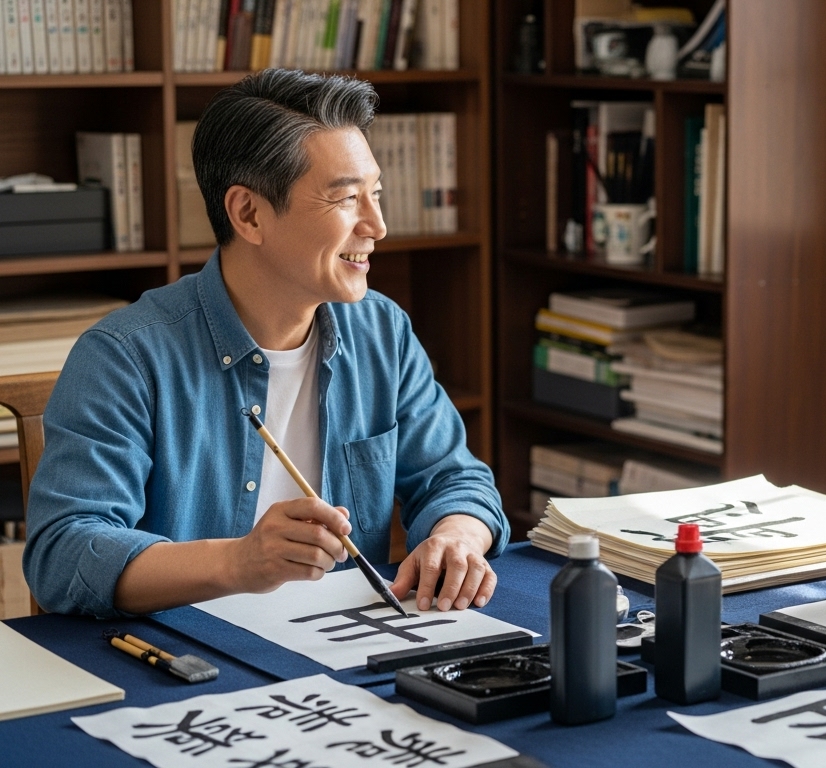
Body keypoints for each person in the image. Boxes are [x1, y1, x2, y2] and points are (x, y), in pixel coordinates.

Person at [24, 69, 508, 618]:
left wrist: (458, 536)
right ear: (248, 213)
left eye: (374, 194)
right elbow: (62, 552)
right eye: (347, 199)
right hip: (187, 663)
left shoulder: (382, 332)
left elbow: (455, 477)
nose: (377, 225)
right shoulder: (125, 357)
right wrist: (238, 563)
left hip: (342, 649)